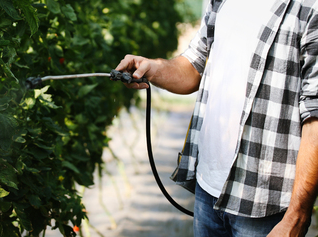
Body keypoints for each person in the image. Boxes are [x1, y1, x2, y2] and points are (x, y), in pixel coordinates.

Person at [115, 0, 318, 236]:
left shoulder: (309, 7)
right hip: (207, 190)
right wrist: (153, 68)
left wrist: (297, 215)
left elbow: (315, 114)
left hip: (263, 205)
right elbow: (194, 65)